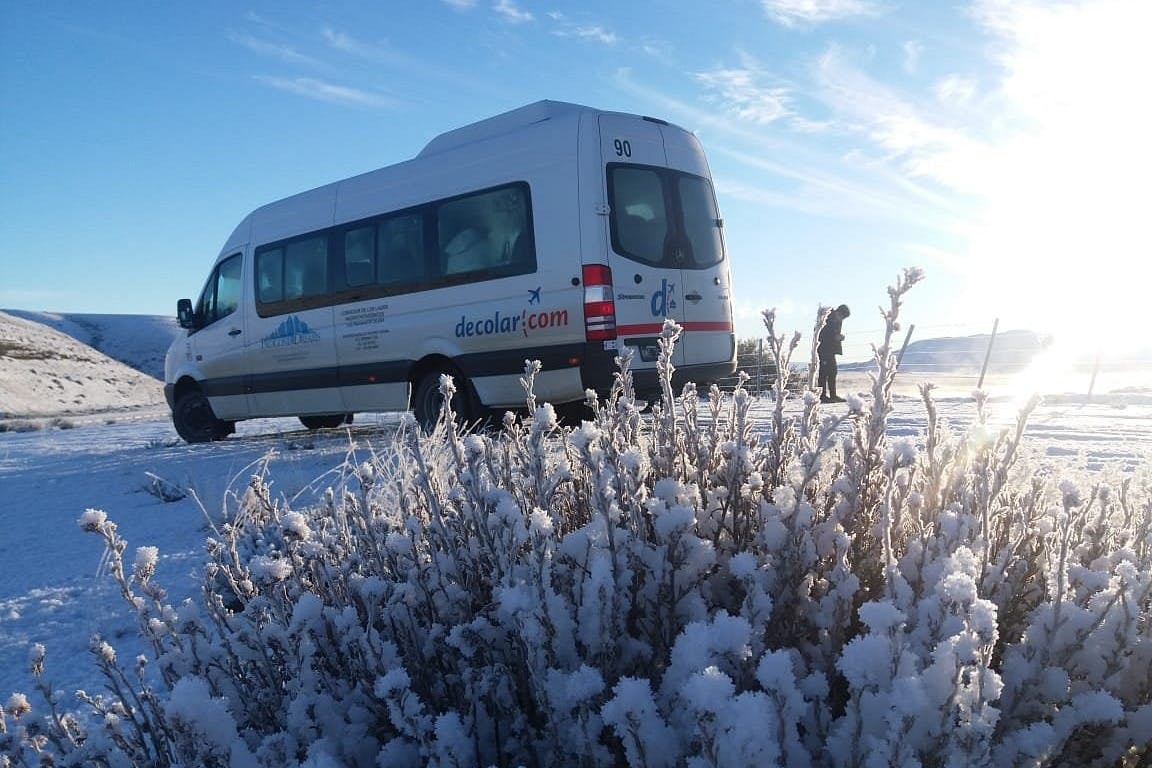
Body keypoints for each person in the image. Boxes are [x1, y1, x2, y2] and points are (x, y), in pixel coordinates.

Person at [817, 304, 851, 403]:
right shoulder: (827, 319)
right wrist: (835, 337)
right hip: (824, 349)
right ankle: (822, 396)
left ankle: (833, 395)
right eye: (842, 316)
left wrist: (838, 337)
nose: (842, 319)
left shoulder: (835, 320)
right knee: (824, 373)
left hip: (830, 350)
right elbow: (821, 334)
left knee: (832, 372)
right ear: (838, 312)